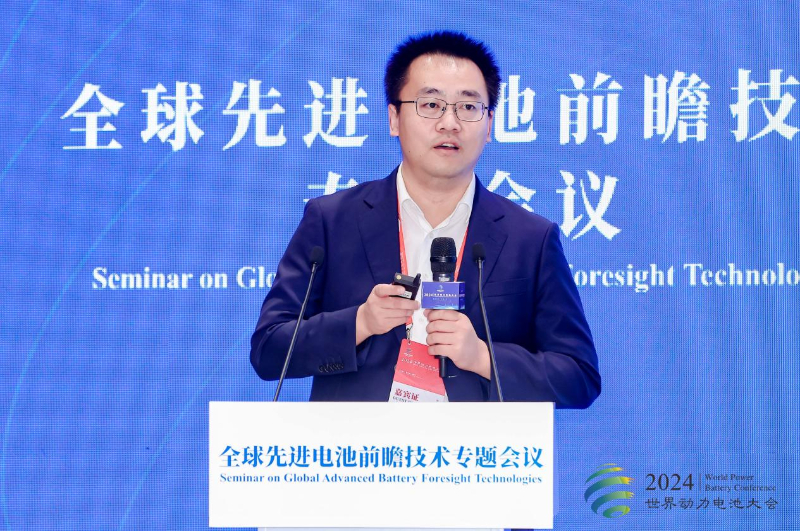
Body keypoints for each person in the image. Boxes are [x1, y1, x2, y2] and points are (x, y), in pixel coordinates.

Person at [250, 31, 600, 406]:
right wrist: (360, 322)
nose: (450, 122)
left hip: (476, 444)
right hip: (356, 443)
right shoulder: (332, 221)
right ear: (394, 118)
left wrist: (483, 358)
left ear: (489, 125)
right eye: (431, 104)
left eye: (468, 107)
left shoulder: (530, 238)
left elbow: (579, 377)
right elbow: (269, 350)